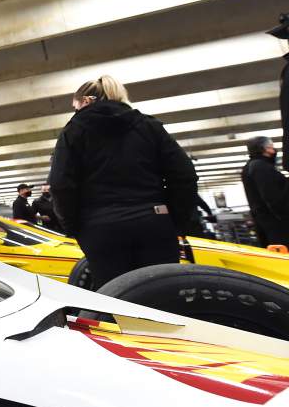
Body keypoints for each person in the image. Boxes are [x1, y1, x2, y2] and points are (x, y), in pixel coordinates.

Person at [48, 76, 198, 288]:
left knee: (117, 298)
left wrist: (74, 227)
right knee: (164, 294)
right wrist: (176, 220)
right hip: (153, 221)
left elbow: (61, 185)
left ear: (85, 101)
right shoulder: (148, 126)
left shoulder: (72, 132)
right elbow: (184, 175)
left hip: (100, 228)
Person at [241, 136, 289, 247]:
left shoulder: (250, 166)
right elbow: (273, 198)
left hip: (267, 224)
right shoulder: (260, 167)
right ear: (266, 149)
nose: (274, 150)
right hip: (278, 228)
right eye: (272, 147)